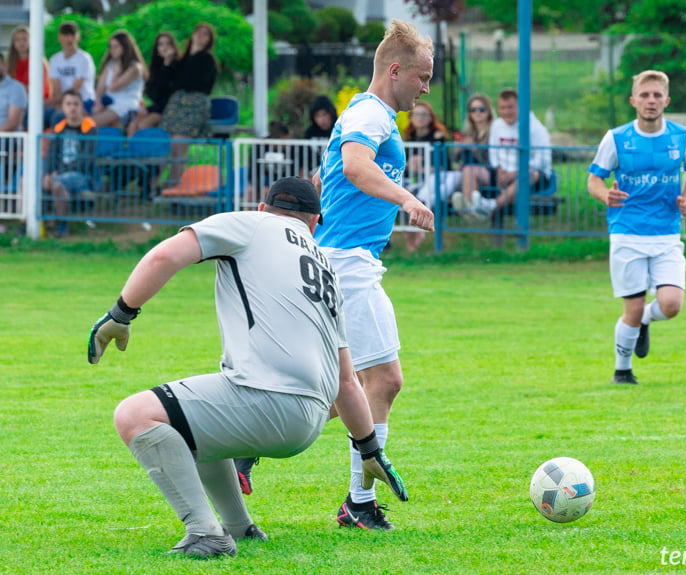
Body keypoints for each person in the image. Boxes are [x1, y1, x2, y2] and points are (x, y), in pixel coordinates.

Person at [87, 176, 408, 558]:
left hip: (268, 399)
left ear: (262, 208)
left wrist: (121, 314)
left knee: (134, 416)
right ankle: (240, 528)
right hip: (308, 421)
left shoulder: (252, 224)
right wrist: (369, 449)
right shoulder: (324, 267)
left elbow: (164, 256)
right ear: (314, 222)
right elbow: (347, 381)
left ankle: (204, 533)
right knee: (199, 418)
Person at [279, 19, 432, 530]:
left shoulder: (365, 114)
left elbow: (328, 178)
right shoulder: (372, 112)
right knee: (382, 380)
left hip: (343, 259)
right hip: (348, 264)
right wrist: (408, 200)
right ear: (395, 70)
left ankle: (248, 445)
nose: (426, 87)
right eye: (422, 77)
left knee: (345, 388)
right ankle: (359, 503)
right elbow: (352, 168)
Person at [586, 70, 686, 385]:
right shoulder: (617, 138)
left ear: (667, 100)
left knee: (672, 305)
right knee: (632, 309)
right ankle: (622, 371)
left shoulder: (683, 136)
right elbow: (594, 178)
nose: (651, 101)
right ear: (633, 100)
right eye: (645, 95)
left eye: (657, 95)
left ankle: (649, 321)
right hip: (627, 230)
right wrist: (604, 195)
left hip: (666, 233)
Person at [456, 89, 552, 220]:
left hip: (530, 174)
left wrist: (516, 172)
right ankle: (471, 208)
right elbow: (494, 152)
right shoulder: (497, 125)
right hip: (502, 172)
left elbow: (543, 159)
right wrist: (499, 168)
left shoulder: (535, 128)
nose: (506, 112)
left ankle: (491, 206)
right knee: (469, 170)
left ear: (520, 106)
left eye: (510, 107)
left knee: (529, 174)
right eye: (502, 108)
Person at [160, 23, 217, 181]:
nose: (200, 35)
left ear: (209, 40)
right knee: (167, 144)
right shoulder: (183, 60)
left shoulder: (207, 60)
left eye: (205, 34)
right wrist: (168, 60)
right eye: (198, 31)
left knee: (179, 145)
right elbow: (168, 83)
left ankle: (174, 183)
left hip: (193, 106)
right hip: (176, 105)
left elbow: (190, 83)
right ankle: (158, 182)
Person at [402, 100, 456, 252]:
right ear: (411, 117)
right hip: (414, 179)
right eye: (417, 114)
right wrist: (410, 165)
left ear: (431, 118)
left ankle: (418, 230)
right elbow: (406, 165)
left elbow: (445, 165)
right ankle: (409, 232)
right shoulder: (410, 137)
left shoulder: (438, 137)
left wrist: (423, 167)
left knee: (424, 195)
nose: (420, 118)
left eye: (424, 114)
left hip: (435, 179)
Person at [43, 89, 97, 238]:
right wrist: (48, 173)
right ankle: (35, 225)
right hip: (60, 173)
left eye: (75, 104)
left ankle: (62, 225)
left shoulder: (89, 128)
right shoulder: (60, 127)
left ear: (81, 107)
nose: (72, 108)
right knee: (44, 182)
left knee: (58, 184)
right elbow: (51, 154)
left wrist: (58, 173)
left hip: (82, 175)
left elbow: (86, 158)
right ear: (63, 107)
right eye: (68, 104)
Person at [450, 93, 494, 218]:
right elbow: (453, 159)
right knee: (463, 171)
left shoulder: (494, 131)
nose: (477, 113)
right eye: (473, 110)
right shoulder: (467, 132)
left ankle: (471, 208)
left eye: (482, 109)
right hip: (467, 171)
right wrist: (456, 151)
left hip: (491, 172)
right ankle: (469, 209)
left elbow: (494, 159)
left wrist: (475, 149)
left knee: (469, 170)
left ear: (489, 111)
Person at [92, 30, 147, 130]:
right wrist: (98, 102)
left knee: (90, 124)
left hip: (126, 104)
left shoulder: (135, 67)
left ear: (125, 47)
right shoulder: (110, 64)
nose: (112, 50)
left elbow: (113, 87)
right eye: (111, 46)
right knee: (80, 117)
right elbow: (100, 87)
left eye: (116, 46)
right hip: (109, 101)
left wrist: (117, 72)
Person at [127, 32, 179, 137]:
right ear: (157, 49)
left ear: (173, 47)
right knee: (132, 125)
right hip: (157, 108)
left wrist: (168, 63)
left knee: (143, 125)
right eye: (160, 44)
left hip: (171, 109)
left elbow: (170, 95)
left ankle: (148, 153)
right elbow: (155, 94)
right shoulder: (156, 68)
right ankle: (131, 152)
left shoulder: (178, 67)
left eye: (168, 44)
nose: (164, 47)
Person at [47, 21, 96, 126]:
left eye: (72, 34)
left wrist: (61, 103)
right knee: (37, 114)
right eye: (65, 35)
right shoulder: (55, 59)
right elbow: (56, 88)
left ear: (78, 37)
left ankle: (57, 143)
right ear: (59, 37)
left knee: (58, 117)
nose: (69, 39)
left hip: (83, 103)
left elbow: (75, 89)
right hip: (63, 102)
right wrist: (58, 102)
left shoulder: (84, 59)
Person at [6, 25, 52, 123]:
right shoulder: (9, 63)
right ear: (13, 43)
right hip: (14, 103)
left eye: (24, 39)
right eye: (17, 40)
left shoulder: (39, 62)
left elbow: (42, 89)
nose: (21, 43)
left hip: (36, 103)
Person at [302, 94, 337, 174]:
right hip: (314, 174)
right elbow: (303, 159)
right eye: (317, 116)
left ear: (331, 114)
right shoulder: (310, 133)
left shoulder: (339, 130)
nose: (322, 119)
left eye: (324, 114)